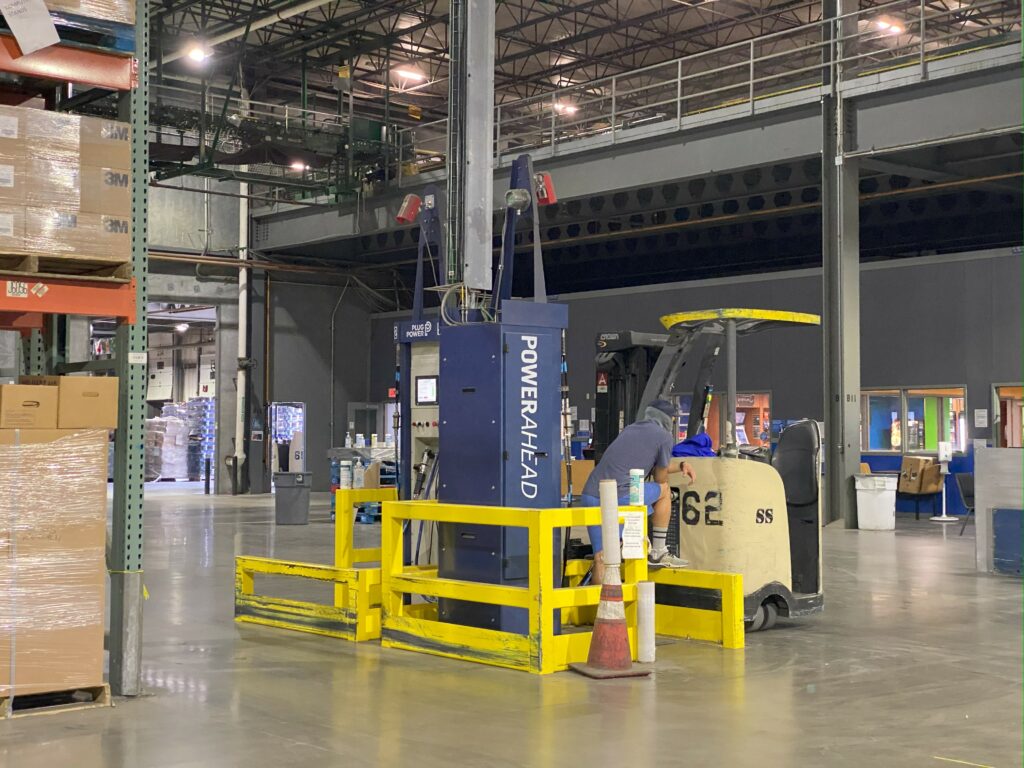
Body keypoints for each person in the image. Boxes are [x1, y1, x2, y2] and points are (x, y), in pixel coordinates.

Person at [580, 399, 696, 584]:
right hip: (620, 496)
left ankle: (597, 609)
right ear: (668, 419)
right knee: (665, 490)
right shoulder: (664, 436)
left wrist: (680, 465)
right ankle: (658, 551)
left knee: (601, 557)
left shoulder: (630, 429)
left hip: (590, 494)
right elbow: (660, 478)